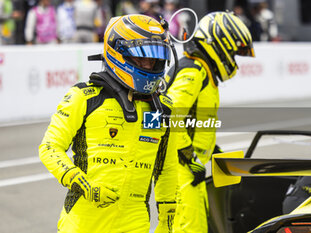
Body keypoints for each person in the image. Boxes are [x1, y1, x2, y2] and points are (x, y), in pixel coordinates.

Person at [39, 14, 178, 233]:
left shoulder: (164, 108)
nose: (149, 64)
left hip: (136, 223)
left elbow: (166, 168)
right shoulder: (84, 97)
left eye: (154, 58)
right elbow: (49, 148)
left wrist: (168, 219)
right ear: (117, 53)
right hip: (83, 223)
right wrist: (84, 185)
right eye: (141, 58)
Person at [166, 11, 255, 232]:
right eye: (234, 51)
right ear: (220, 42)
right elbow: (169, 116)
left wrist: (212, 149)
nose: (234, 58)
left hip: (186, 167)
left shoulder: (201, 70)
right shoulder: (194, 70)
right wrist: (190, 157)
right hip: (180, 168)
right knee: (190, 228)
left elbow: (194, 120)